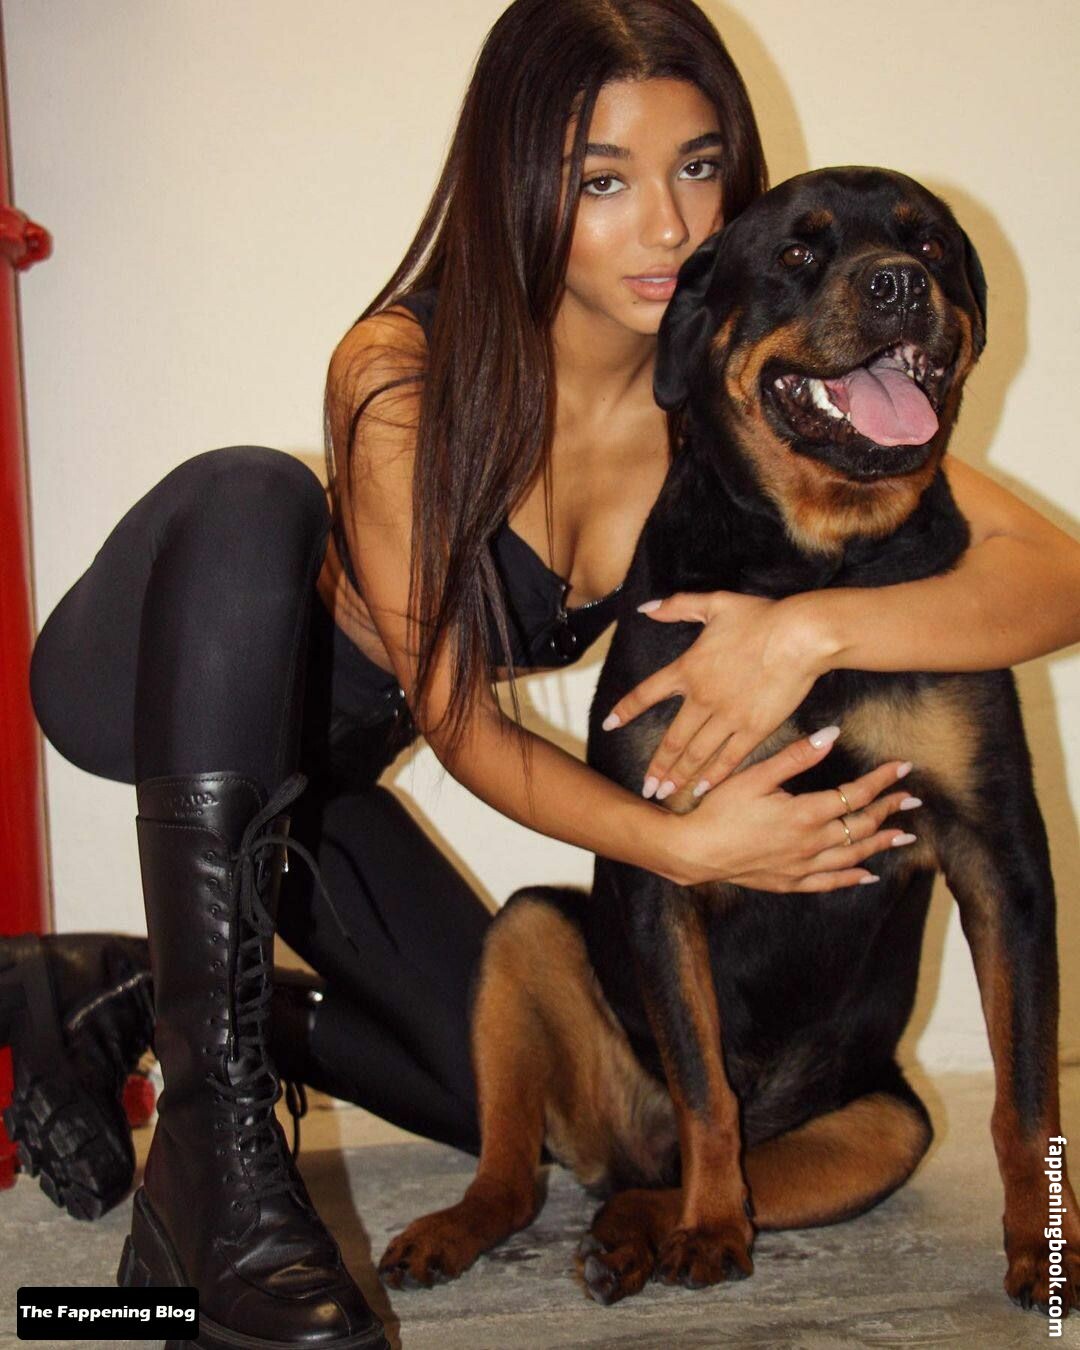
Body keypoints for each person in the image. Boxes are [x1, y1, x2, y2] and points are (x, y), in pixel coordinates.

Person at [3, 0, 1079, 1346]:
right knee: (253, 494)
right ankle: (212, 1190)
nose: (667, 224)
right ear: (519, 183)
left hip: (317, 792)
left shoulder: (718, 392)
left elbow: (1050, 573)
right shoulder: (403, 372)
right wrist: (683, 845)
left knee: (523, 1101)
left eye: (697, 167)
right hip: (156, 681)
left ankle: (109, 993)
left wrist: (809, 634)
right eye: (602, 181)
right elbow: (460, 725)